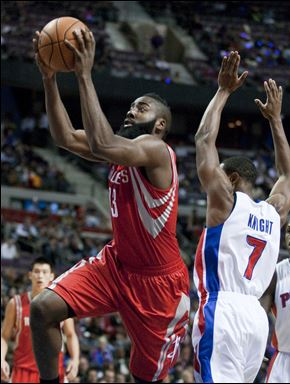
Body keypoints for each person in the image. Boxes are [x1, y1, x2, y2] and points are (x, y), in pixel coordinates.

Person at [30, 29, 190, 384]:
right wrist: (49, 78)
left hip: (159, 284)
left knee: (143, 378)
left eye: (141, 108)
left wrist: (85, 75)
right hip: (116, 266)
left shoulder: (155, 149)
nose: (132, 111)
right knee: (42, 309)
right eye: (131, 106)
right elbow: (65, 137)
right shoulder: (121, 149)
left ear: (160, 124)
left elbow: (101, 143)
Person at [192, 51, 290, 383]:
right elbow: (288, 176)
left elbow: (204, 140)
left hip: (223, 310)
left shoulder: (225, 200)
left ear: (231, 179)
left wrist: (223, 91)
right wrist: (276, 121)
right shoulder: (274, 212)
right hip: (255, 321)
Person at [1, 257, 80, 383]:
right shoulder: (16, 303)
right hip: (23, 371)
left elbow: (71, 335)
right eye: (37, 272)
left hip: (54, 372)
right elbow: (4, 336)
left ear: (51, 276)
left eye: (44, 272)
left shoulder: (61, 304)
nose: (40, 276)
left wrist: (75, 360)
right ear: (30, 275)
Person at [260, 215, 290, 383]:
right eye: (289, 231)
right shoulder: (275, 273)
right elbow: (259, 315)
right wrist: (255, 345)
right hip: (284, 361)